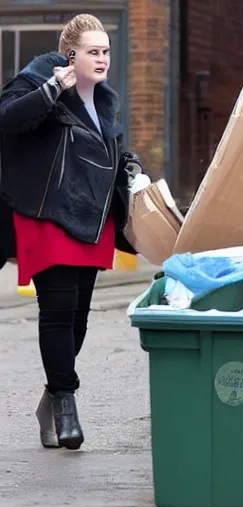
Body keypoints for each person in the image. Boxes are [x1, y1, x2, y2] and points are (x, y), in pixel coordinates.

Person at [0, 14, 137, 450]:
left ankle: (51, 397)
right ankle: (66, 404)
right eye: (93, 51)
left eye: (106, 51)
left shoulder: (105, 98)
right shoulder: (39, 78)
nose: (102, 59)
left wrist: (131, 165)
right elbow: (8, 119)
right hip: (47, 213)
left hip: (92, 217)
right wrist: (52, 88)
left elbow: (110, 145)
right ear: (70, 54)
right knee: (58, 310)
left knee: (78, 317)